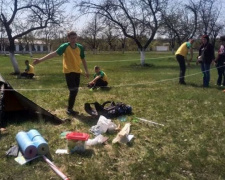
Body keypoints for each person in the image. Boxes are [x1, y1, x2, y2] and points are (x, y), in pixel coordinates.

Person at [33, 31, 89, 115]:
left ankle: (70, 108)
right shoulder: (65, 46)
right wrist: (40, 60)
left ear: (77, 38)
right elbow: (53, 54)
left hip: (77, 71)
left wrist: (86, 70)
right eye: (72, 38)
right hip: (69, 71)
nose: (73, 40)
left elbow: (83, 59)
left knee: (75, 91)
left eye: (75, 38)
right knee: (73, 90)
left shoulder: (80, 47)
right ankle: (69, 110)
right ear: (68, 38)